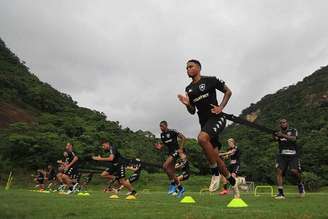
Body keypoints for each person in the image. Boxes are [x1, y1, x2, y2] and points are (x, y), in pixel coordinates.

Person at [178, 59, 238, 196]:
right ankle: (233, 182)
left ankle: (214, 173)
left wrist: (221, 107)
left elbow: (228, 92)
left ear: (198, 68)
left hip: (217, 118)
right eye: (186, 68)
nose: (187, 69)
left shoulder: (210, 80)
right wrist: (187, 104)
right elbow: (192, 111)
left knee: (201, 138)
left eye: (190, 67)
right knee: (216, 157)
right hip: (204, 124)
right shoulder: (189, 89)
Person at [274, 118, 305, 199]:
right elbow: (275, 139)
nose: (283, 124)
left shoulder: (293, 130)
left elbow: (294, 139)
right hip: (282, 155)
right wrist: (276, 136)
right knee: (279, 171)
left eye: (284, 122)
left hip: (293, 155)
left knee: (294, 171)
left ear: (287, 123)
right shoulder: (278, 132)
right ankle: (280, 193)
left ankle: (300, 184)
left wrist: (283, 135)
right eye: (281, 123)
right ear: (279, 125)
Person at [154, 121, 186, 198]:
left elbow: (184, 138)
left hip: (176, 151)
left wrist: (180, 149)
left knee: (165, 166)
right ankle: (181, 188)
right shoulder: (162, 135)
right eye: (160, 126)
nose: (161, 128)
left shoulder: (173, 131)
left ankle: (172, 184)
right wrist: (159, 147)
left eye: (162, 126)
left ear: (166, 125)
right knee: (170, 171)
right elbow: (164, 145)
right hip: (170, 153)